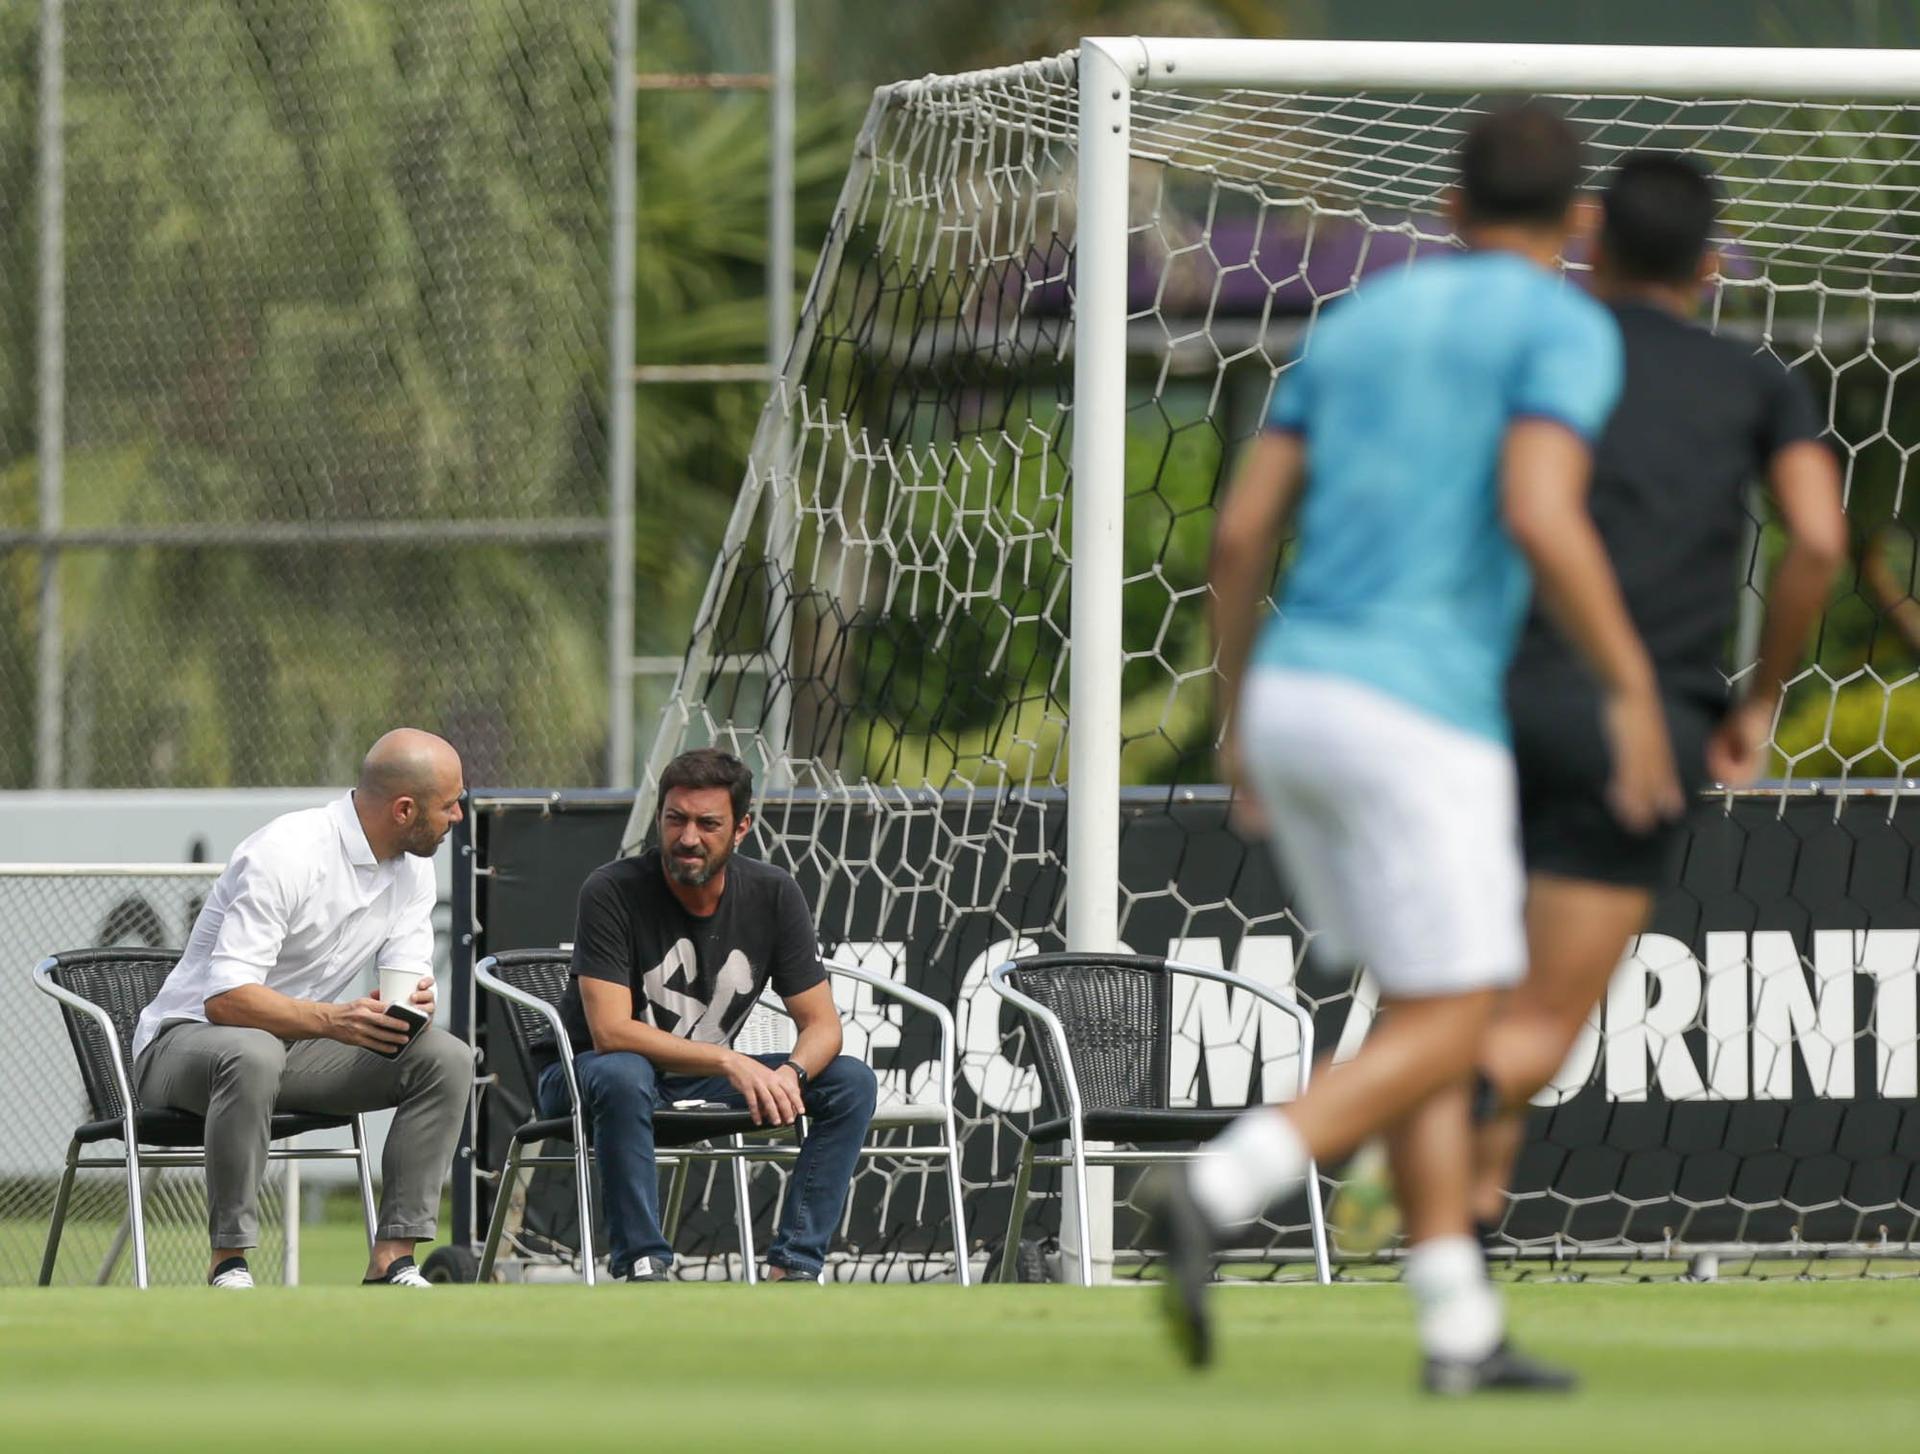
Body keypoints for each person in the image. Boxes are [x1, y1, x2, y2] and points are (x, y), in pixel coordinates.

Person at [1152, 100, 1683, 1393]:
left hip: (1294, 698)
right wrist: (1627, 689)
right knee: (1462, 1018)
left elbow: (1238, 537)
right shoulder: (1565, 323)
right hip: (1419, 712)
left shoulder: (1362, 319)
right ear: (1578, 225)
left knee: (1424, 1002)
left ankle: (1457, 1329)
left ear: (1446, 210)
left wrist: (1233, 722)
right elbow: (1542, 512)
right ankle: (1222, 1185)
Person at [1469, 153, 1847, 1236]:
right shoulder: (1754, 381)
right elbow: (1818, 538)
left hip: (1494, 699)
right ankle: (1439, 1108)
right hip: (1644, 726)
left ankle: (1459, 1234)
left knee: (1473, 977)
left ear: (1593, 246)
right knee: (1542, 1010)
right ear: (1712, 262)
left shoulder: (1537, 365)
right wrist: (1760, 699)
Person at [132, 729, 473, 1289]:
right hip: (181, 1047)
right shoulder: (286, 852)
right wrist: (334, 1020)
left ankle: (392, 1261)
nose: (459, 814)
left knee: (445, 1059)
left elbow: (405, 985)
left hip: (288, 1053)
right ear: (404, 809)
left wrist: (411, 1008)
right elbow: (226, 999)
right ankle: (230, 1263)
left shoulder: (414, 866)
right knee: (254, 1051)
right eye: (450, 803)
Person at [540, 747, 877, 1283]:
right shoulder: (611, 890)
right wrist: (727, 1061)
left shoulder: (773, 894)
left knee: (849, 1081)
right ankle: (644, 1266)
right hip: (585, 1076)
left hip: (692, 1080)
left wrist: (791, 1074)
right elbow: (610, 1033)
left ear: (741, 828)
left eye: (707, 823)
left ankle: (795, 1267)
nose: (688, 837)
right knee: (625, 1072)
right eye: (675, 820)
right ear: (659, 819)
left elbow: (822, 1025)